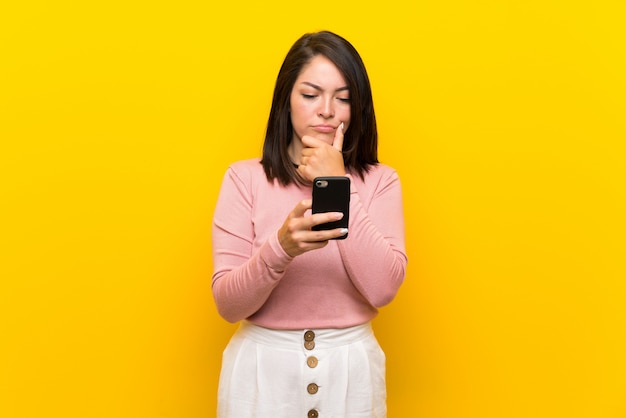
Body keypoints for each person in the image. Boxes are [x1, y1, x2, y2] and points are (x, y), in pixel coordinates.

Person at [211, 30, 407, 418]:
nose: (327, 110)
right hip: (261, 372)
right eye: (310, 94)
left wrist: (339, 185)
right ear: (286, 101)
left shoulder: (381, 181)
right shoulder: (243, 179)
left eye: (344, 98)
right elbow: (228, 305)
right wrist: (280, 248)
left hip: (350, 369)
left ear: (358, 108)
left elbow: (384, 289)